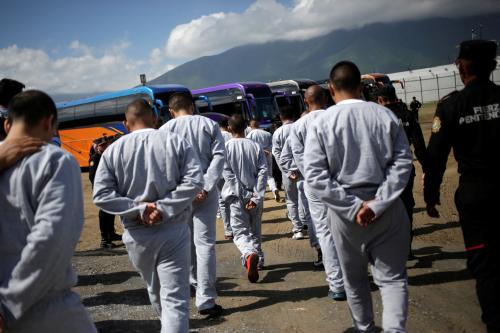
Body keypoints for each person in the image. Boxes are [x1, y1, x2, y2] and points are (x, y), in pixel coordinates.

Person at [304, 61, 412, 332]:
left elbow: (315, 176)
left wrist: (353, 208)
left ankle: (364, 327)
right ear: (362, 87)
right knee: (392, 280)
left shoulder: (322, 122)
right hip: (386, 208)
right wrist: (378, 203)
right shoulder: (385, 116)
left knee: (354, 280)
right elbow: (403, 163)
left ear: (331, 88)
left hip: (344, 215)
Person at [93, 99, 203, 332]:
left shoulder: (113, 150)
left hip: (137, 234)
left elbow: (101, 195)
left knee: (154, 290)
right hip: (173, 228)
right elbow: (194, 180)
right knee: (174, 298)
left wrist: (139, 208)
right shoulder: (175, 141)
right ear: (154, 117)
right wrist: (163, 208)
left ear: (125, 123)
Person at [0, 90, 97, 333]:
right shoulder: (53, 160)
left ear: (7, 123)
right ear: (49, 123)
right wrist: (7, 305)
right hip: (41, 307)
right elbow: (51, 238)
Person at [424, 39, 500, 333]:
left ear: (462, 67)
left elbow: (436, 159)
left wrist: (430, 197)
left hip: (477, 198)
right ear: (492, 66)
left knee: (486, 270)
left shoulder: (452, 106)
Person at [160, 93, 225, 317]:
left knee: (184, 242)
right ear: (192, 107)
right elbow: (219, 157)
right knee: (205, 244)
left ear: (170, 110)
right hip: (206, 193)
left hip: (179, 195)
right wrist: (205, 186)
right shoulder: (209, 124)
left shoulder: (165, 130)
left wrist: (180, 191)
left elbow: (163, 165)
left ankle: (192, 283)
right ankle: (206, 299)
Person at [286, 85, 346, 301]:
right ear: (326, 97)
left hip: (314, 184)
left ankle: (337, 284)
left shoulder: (298, 126)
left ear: (306, 100)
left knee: (324, 231)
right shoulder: (337, 117)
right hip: (341, 180)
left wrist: (312, 177)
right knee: (347, 228)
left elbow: (299, 156)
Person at [377, 85, 427, 259]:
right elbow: (419, 144)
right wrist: (426, 169)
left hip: (382, 172)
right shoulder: (408, 115)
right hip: (405, 169)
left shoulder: (377, 116)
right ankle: (406, 247)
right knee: (406, 206)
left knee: (384, 209)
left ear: (380, 100)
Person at [222, 114, 267, 282]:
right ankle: (259, 259)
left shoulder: (225, 148)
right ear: (245, 127)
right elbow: (263, 171)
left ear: (229, 128)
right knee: (255, 229)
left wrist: (243, 194)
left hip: (235, 197)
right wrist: (255, 195)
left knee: (240, 231)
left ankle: (249, 254)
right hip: (255, 196)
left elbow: (228, 174)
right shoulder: (255, 146)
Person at [272, 105, 306, 239]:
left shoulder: (278, 132)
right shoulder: (300, 127)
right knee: (304, 197)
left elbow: (277, 154)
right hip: (303, 168)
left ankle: (298, 229)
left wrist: (287, 172)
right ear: (293, 116)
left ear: (281, 117)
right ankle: (305, 223)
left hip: (288, 171)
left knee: (291, 200)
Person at [89, 135, 122, 248]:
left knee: (110, 212)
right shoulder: (96, 158)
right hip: (102, 190)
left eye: (105, 144)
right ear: (98, 147)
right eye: (102, 145)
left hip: (109, 188)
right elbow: (92, 177)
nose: (105, 146)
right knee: (104, 214)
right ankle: (105, 240)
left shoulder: (104, 156)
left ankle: (111, 234)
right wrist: (101, 190)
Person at [246, 119, 280, 201]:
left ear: (251, 126)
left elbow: (249, 147)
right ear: (258, 125)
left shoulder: (249, 135)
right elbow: (273, 145)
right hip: (268, 154)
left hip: (256, 157)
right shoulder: (267, 133)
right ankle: (274, 188)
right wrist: (268, 151)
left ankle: (261, 194)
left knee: (258, 176)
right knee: (269, 175)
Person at [218, 118, 233, 240]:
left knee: (222, 202)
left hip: (218, 172)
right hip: (232, 171)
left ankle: (228, 230)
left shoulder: (215, 135)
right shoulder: (231, 135)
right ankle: (239, 227)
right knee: (234, 199)